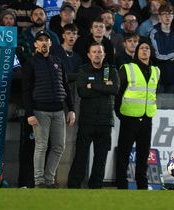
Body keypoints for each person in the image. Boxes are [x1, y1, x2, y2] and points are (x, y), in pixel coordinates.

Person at [21, 30, 76, 188]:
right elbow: (26, 90)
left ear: (51, 43)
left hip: (59, 111)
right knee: (41, 146)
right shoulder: (30, 63)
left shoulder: (58, 61)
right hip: (40, 111)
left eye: (47, 40)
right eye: (41, 40)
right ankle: (39, 181)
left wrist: (71, 109)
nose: (44, 42)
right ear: (36, 44)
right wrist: (29, 113)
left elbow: (65, 87)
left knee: (59, 146)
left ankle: (49, 180)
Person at [67, 42, 119, 189]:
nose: (97, 54)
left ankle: (95, 186)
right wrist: (104, 87)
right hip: (86, 121)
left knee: (101, 157)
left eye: (99, 52)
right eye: (94, 52)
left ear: (104, 55)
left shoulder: (111, 70)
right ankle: (74, 185)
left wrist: (93, 86)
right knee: (81, 156)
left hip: (105, 121)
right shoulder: (83, 70)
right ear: (89, 55)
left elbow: (114, 89)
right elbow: (82, 92)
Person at [115, 40, 160, 189]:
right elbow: (118, 92)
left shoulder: (156, 70)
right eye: (141, 48)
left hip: (147, 118)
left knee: (143, 154)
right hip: (129, 117)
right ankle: (121, 184)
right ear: (137, 51)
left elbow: (154, 93)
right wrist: (119, 112)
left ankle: (142, 184)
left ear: (151, 51)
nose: (144, 50)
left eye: (147, 48)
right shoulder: (128, 68)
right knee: (124, 153)